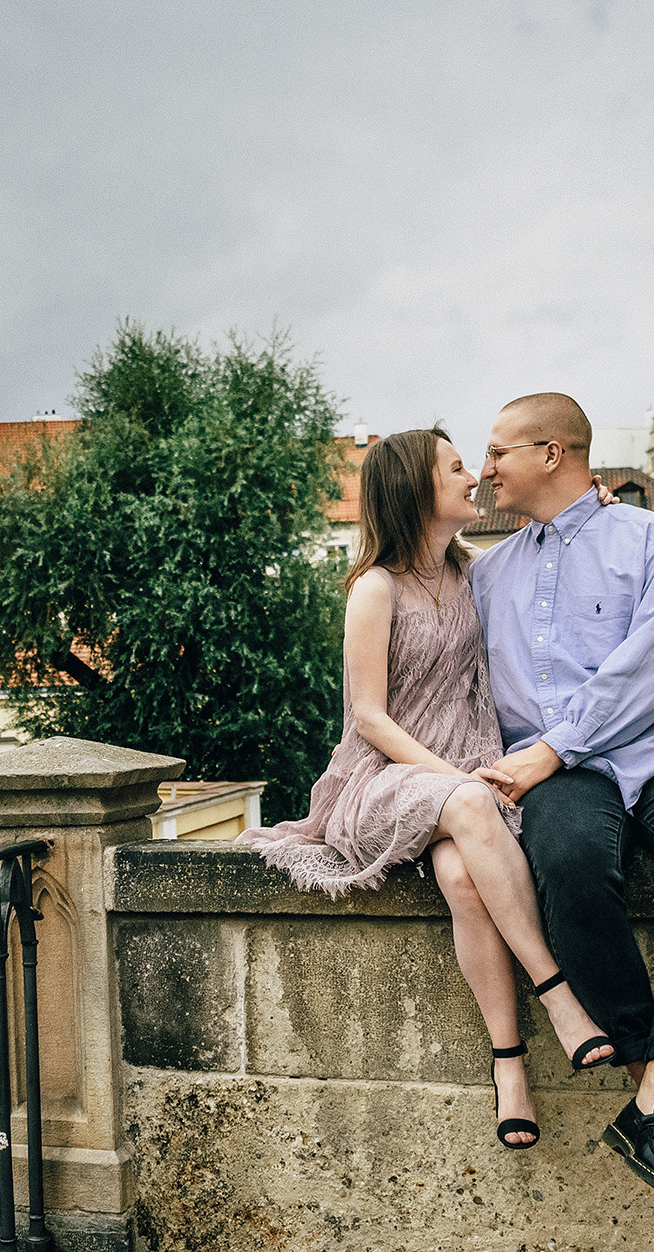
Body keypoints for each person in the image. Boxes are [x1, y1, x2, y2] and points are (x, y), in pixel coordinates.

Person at [241, 427, 615, 1151]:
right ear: (417, 489)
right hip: (384, 779)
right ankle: (559, 994)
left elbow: (555, 549)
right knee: (472, 806)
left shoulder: (476, 569)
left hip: (462, 780)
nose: (473, 476)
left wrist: (591, 504)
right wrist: (454, 778)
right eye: (454, 467)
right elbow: (370, 717)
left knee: (462, 879)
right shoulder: (374, 589)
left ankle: (509, 1067)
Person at [470, 392, 654, 1207]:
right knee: (564, 864)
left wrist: (552, 749)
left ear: (554, 453)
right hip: (558, 774)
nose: (487, 469)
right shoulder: (488, 576)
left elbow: (653, 670)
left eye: (499, 452)